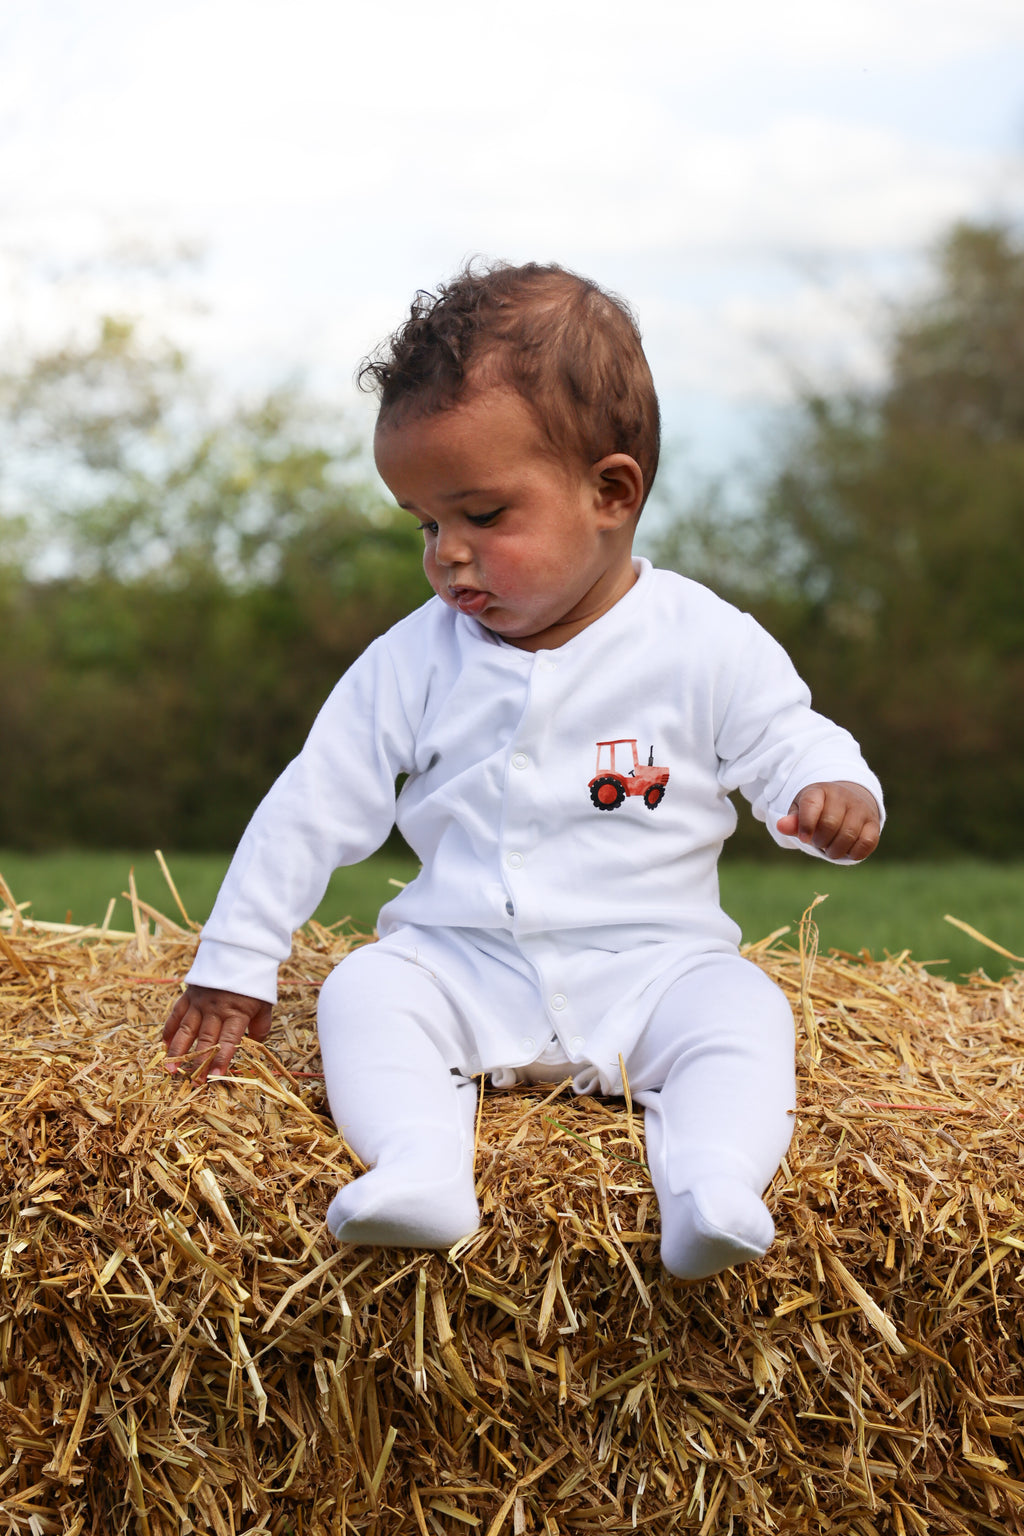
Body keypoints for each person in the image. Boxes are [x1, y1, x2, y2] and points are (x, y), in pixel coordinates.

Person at [163, 262, 882, 1280]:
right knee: (364, 990)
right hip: (461, 964)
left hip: (655, 967)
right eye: (426, 524)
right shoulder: (413, 660)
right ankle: (419, 1167)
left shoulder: (703, 640)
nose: (446, 555)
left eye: (483, 516)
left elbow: (786, 738)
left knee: (744, 1014)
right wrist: (235, 960)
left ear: (610, 493)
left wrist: (832, 794)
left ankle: (713, 1185)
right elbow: (312, 804)